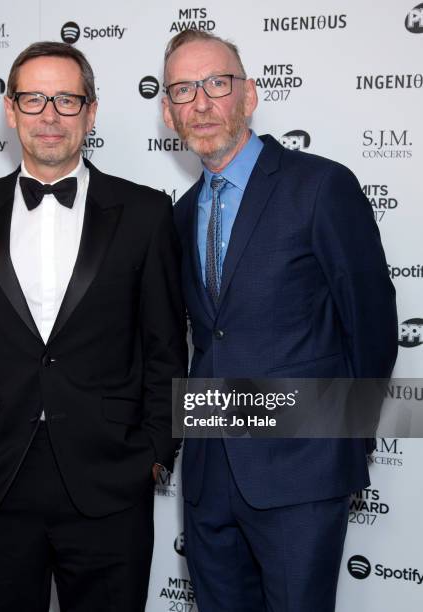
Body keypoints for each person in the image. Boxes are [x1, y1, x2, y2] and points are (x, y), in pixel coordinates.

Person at [0, 41, 187, 612]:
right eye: (34, 99)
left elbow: (165, 347)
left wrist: (154, 449)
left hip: (111, 478)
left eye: (66, 100)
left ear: (92, 112)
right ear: (10, 110)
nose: (49, 115)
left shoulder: (145, 213)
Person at [162, 30, 397, 612]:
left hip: (302, 473)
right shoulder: (181, 212)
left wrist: (343, 440)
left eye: (217, 83)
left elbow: (371, 324)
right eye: (184, 90)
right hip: (209, 480)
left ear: (250, 95)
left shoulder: (320, 186)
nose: (202, 102)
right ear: (168, 113)